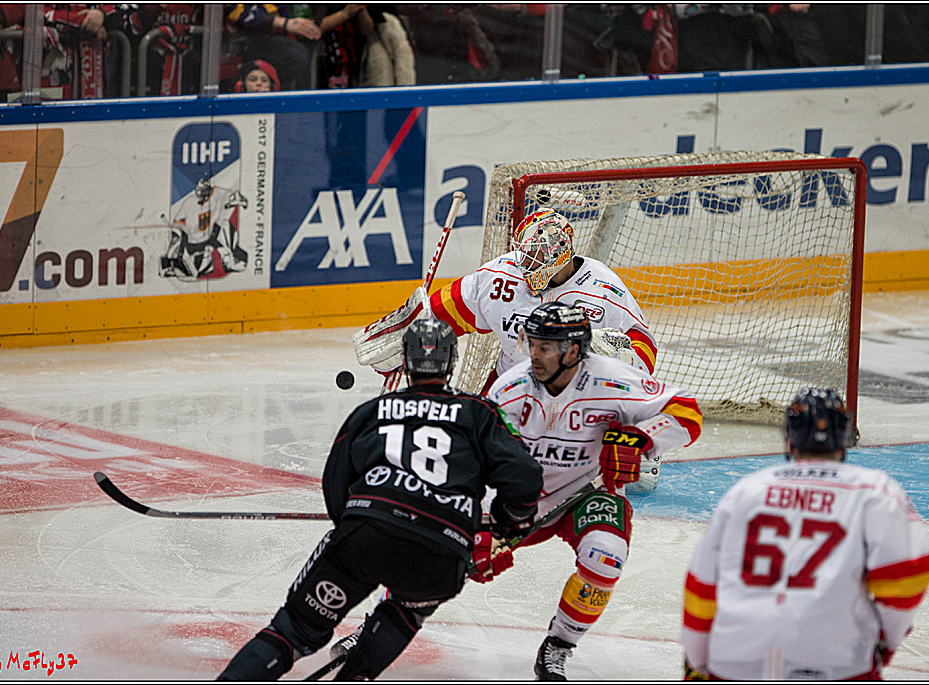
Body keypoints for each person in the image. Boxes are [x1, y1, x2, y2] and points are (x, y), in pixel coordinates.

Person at [218, 318, 543, 681]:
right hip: (440, 551)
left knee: (294, 629)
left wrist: (355, 524)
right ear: (453, 362)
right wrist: (504, 525)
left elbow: (336, 482)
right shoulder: (478, 412)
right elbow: (525, 479)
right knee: (409, 608)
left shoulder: (372, 411)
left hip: (367, 535)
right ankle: (357, 673)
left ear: (405, 360)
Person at [479, 302, 702, 680]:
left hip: (590, 493)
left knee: (605, 557)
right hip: (519, 498)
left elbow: (687, 412)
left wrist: (639, 438)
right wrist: (482, 521)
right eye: (533, 344)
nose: (534, 355)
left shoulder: (612, 380)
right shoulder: (511, 389)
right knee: (451, 551)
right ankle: (394, 612)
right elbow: (483, 465)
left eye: (546, 347)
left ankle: (558, 645)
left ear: (573, 351)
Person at [681, 388, 929, 681]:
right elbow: (906, 577)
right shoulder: (875, 491)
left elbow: (702, 584)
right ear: (843, 437)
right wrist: (885, 643)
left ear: (790, 438)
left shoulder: (746, 491)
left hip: (736, 660)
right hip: (837, 663)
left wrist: (698, 662)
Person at [354, 207, 659, 396]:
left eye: (535, 254)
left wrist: (620, 361)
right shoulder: (502, 274)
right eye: (524, 253)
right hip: (510, 387)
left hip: (574, 398)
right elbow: (450, 310)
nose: (525, 263)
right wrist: (409, 334)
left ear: (560, 252)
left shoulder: (602, 289)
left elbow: (643, 348)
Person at [159, 176, 248, 281]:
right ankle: (168, 264)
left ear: (208, 191)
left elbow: (233, 196)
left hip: (211, 238)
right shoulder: (189, 203)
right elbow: (177, 225)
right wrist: (175, 247)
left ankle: (233, 258)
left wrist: (239, 201)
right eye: (198, 192)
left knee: (225, 225)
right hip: (195, 243)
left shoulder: (217, 193)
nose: (200, 196)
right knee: (194, 270)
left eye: (203, 193)